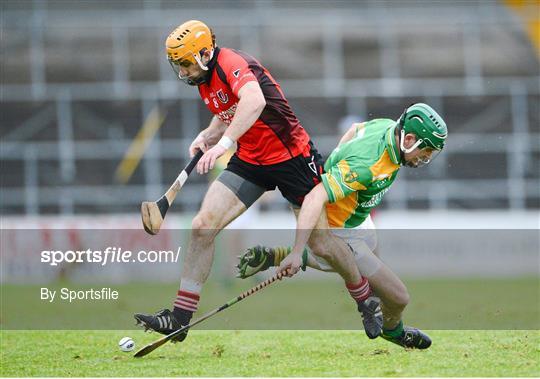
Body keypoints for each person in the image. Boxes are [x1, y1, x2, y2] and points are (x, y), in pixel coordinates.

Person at [135, 20, 382, 341]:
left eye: (184, 63)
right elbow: (229, 107)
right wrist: (210, 134)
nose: (181, 71)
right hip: (251, 160)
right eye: (177, 64)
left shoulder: (231, 63)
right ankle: (179, 319)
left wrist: (225, 144)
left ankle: (365, 299)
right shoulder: (203, 79)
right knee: (202, 225)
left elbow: (254, 101)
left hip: (291, 156)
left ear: (205, 53)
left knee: (321, 242)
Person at [237, 103, 448, 349]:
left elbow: (355, 128)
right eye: (426, 151)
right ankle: (394, 332)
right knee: (398, 298)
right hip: (342, 229)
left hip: (360, 218)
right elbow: (314, 197)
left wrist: (338, 157)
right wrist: (297, 250)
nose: (427, 158)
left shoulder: (388, 127)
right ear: (409, 139)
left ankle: (282, 256)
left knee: (371, 283)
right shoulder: (366, 165)